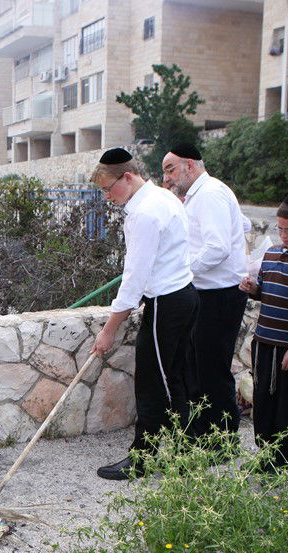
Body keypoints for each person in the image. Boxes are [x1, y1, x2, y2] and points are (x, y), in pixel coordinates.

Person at [90, 147, 198, 480]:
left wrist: (109, 329)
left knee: (155, 384)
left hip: (167, 302)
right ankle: (179, 454)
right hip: (182, 297)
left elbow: (134, 278)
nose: (108, 197)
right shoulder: (163, 199)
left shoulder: (145, 212)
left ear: (127, 176)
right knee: (171, 379)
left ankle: (146, 459)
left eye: (110, 189)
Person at [162, 143, 249, 436]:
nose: (168, 177)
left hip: (220, 294)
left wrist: (181, 272)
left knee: (212, 369)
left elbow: (217, 248)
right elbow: (242, 224)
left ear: (189, 165)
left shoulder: (210, 193)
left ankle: (221, 436)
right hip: (207, 292)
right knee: (197, 367)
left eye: (170, 169)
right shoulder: (197, 195)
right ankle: (203, 430)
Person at [238, 194, 288, 473]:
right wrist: (254, 289)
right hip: (265, 341)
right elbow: (266, 291)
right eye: (280, 229)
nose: (284, 235)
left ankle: (281, 458)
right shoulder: (272, 253)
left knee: (286, 405)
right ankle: (265, 454)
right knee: (263, 401)